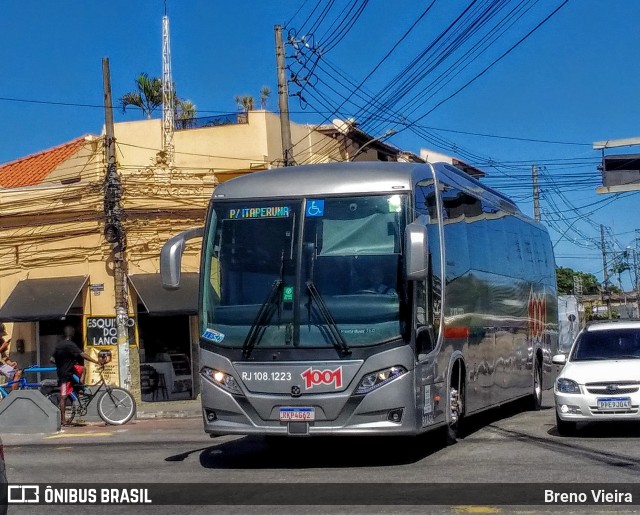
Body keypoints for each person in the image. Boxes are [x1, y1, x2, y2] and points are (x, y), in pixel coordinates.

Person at [51, 326, 101, 426]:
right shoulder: (70, 344)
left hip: (67, 370)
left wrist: (61, 363)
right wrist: (96, 361)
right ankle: (63, 419)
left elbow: (51, 359)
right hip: (65, 374)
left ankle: (80, 387)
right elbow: (82, 354)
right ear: (71, 333)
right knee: (63, 397)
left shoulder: (59, 345)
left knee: (83, 369)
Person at [0, 323, 22, 390]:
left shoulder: (1, 341)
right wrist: (2, 348)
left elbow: (4, 357)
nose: (2, 336)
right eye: (1, 334)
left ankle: (14, 396)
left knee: (17, 373)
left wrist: (10, 363)